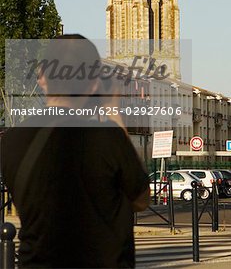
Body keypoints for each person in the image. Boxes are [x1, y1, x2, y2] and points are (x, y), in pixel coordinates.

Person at [1, 35, 150, 268]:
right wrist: (112, 110)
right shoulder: (107, 136)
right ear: (93, 84)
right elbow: (141, 199)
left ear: (41, 77)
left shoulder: (12, 140)